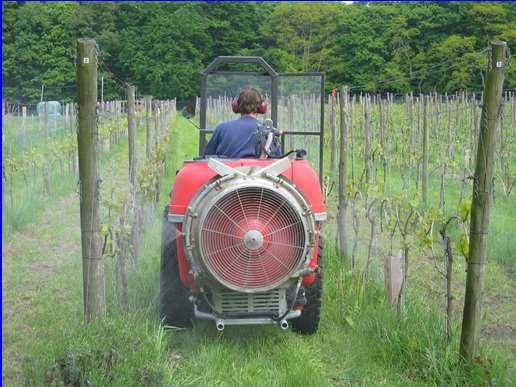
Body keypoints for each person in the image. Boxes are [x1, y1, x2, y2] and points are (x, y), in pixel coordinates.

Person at [203, 87, 281, 158]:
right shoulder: (269, 131)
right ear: (261, 107)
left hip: (226, 173)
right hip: (260, 173)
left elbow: (207, 156)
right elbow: (277, 161)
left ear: (236, 106)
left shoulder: (222, 128)